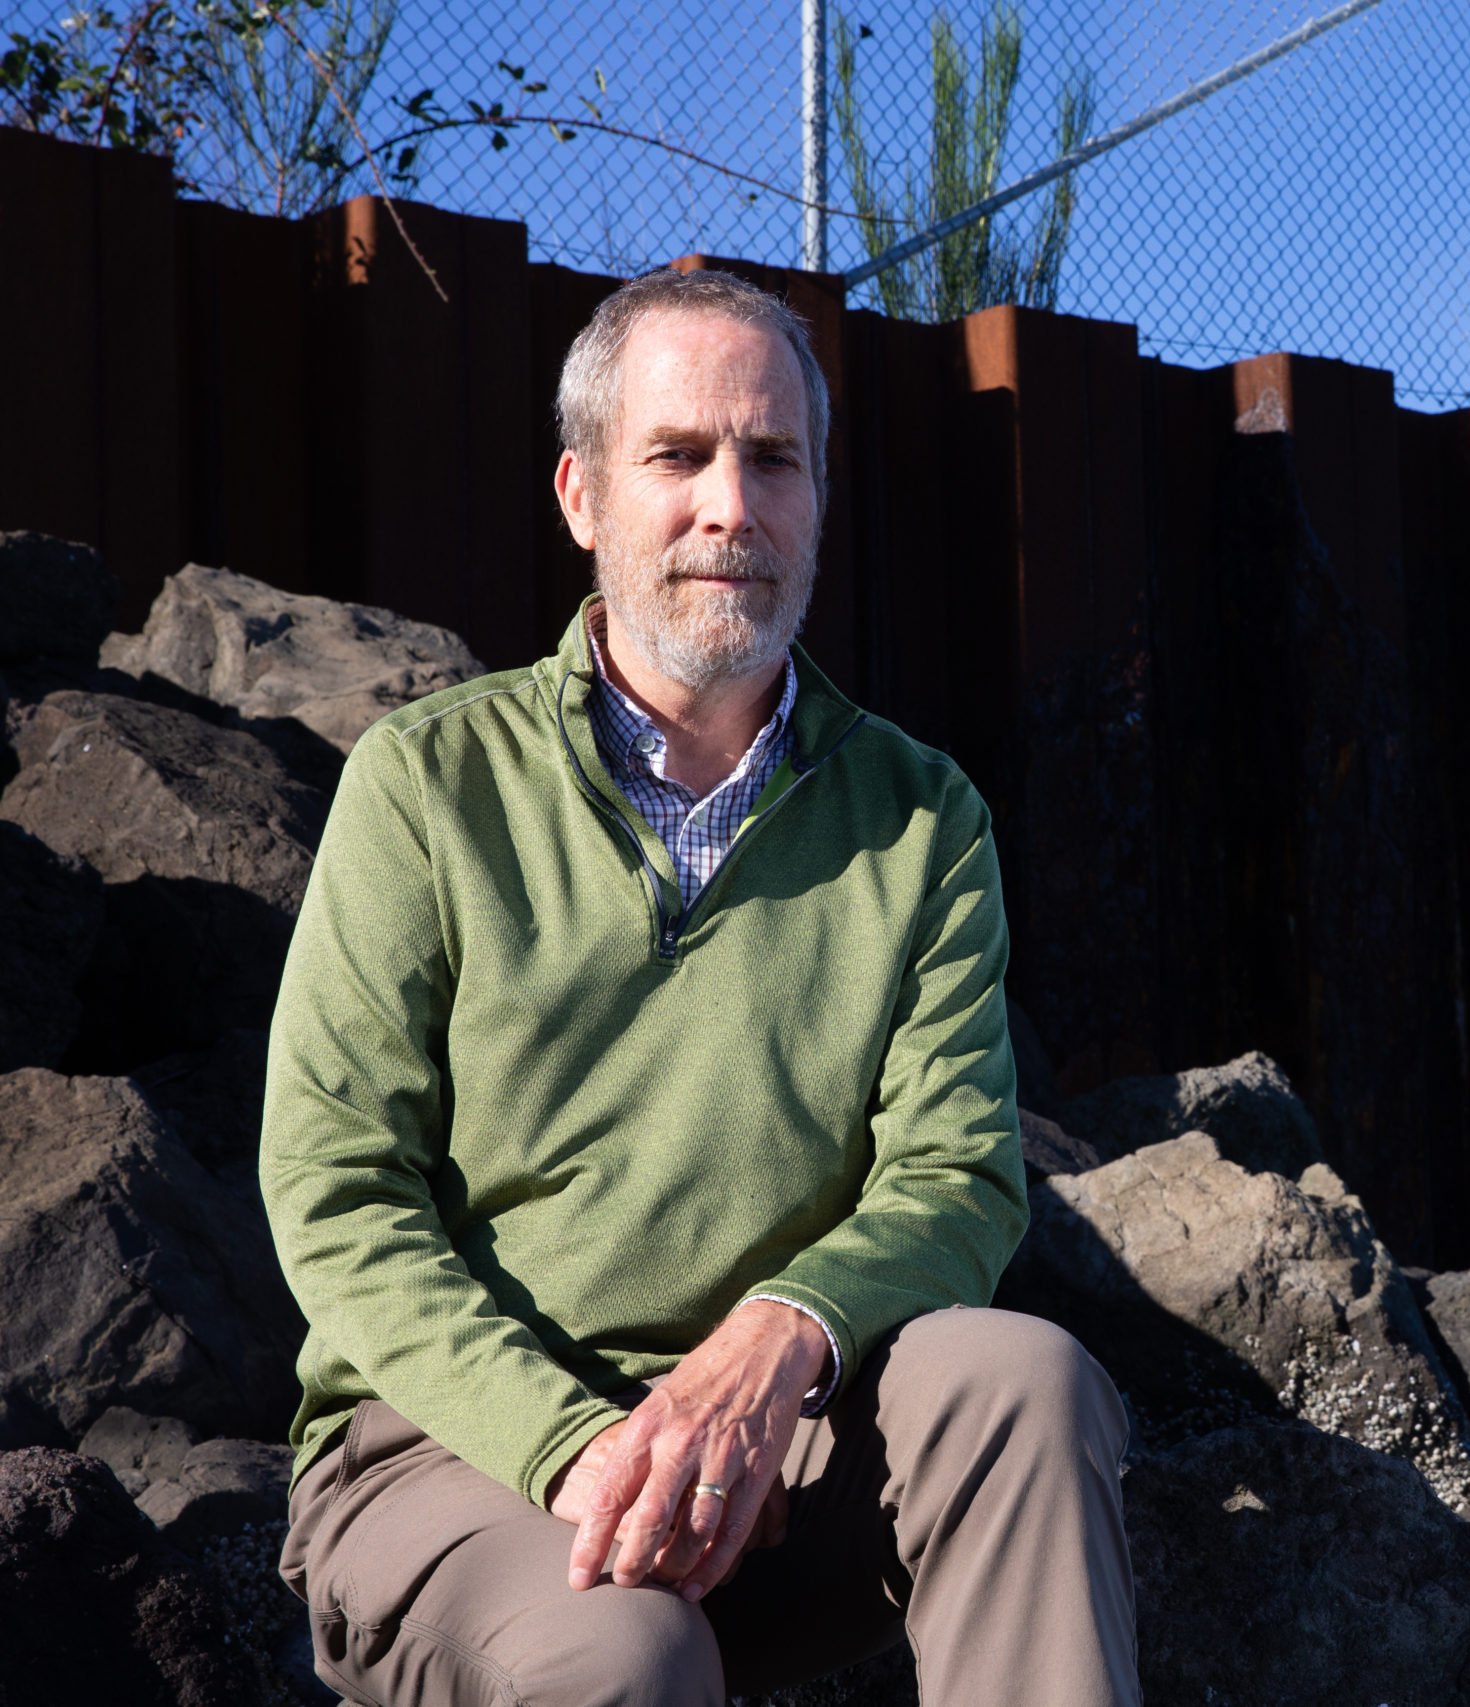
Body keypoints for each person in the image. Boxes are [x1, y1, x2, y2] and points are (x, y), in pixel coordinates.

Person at [260, 265, 1138, 1706]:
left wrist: (779, 1342)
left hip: (779, 1454)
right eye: (678, 455)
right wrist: (578, 1446)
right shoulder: (424, 790)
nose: (732, 504)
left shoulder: (920, 819)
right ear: (582, 497)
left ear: (819, 500)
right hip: (453, 1454)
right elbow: (336, 1191)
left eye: (773, 458)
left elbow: (961, 1180)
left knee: (1018, 1381)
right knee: (630, 1652)